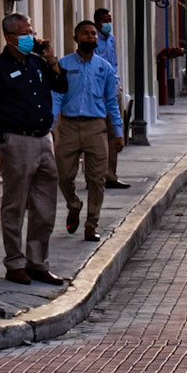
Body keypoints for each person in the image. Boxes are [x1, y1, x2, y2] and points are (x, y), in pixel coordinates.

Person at [0, 12, 69, 285]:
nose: (30, 37)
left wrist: (51, 57)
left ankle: (37, 262)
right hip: (16, 141)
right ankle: (15, 262)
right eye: (24, 32)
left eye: (31, 31)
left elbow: (62, 85)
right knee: (15, 205)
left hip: (44, 140)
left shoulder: (38, 64)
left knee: (45, 206)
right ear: (9, 37)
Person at [53, 19, 123, 241]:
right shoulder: (63, 65)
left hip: (96, 127)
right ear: (76, 38)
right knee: (64, 175)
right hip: (69, 127)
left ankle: (91, 224)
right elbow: (56, 96)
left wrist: (118, 132)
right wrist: (52, 124)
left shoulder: (104, 67)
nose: (91, 37)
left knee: (97, 178)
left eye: (93, 34)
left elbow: (111, 101)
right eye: (85, 34)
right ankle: (74, 204)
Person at [93, 5, 132, 189]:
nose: (108, 24)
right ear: (97, 22)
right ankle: (94, 177)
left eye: (110, 20)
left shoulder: (111, 39)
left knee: (114, 132)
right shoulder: (93, 40)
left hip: (112, 88)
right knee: (95, 133)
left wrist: (117, 84)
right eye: (105, 21)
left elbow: (114, 62)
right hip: (98, 91)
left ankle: (111, 175)